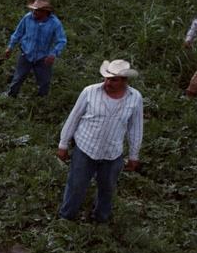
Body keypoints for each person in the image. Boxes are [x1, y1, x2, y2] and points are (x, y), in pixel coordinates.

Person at [57, 60, 143, 223]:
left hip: (112, 153)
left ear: (124, 80)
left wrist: (134, 155)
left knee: (107, 188)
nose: (108, 82)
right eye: (106, 78)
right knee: (76, 186)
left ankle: (100, 219)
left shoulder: (135, 98)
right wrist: (63, 144)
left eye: (114, 80)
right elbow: (73, 118)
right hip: (85, 148)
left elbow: (135, 128)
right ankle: (66, 217)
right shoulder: (89, 92)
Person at [2, 0, 68, 98]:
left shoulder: (55, 23)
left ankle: (42, 99)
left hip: (43, 58)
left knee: (44, 81)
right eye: (33, 10)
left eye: (37, 11)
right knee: (18, 77)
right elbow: (18, 33)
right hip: (26, 54)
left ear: (45, 12)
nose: (34, 12)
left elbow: (61, 40)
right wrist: (10, 47)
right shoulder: (27, 18)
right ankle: (11, 95)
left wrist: (53, 54)